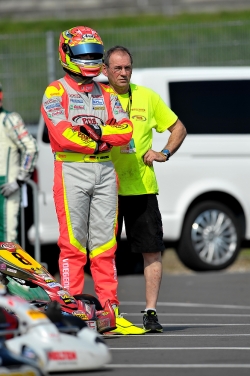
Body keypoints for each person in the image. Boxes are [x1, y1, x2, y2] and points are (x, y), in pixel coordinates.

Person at [41, 26, 145, 335]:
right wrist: (101, 138)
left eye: (96, 55)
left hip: (104, 173)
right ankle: (70, 309)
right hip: (71, 171)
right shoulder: (55, 91)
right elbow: (61, 136)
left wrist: (94, 135)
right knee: (73, 246)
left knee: (105, 246)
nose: (91, 60)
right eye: (85, 54)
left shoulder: (107, 92)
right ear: (68, 55)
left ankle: (109, 311)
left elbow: (125, 130)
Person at [102, 45, 187, 333]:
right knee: (103, 253)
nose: (124, 73)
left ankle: (150, 312)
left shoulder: (147, 97)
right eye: (118, 68)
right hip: (106, 188)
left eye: (128, 67)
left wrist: (164, 152)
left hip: (142, 188)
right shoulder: (97, 98)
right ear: (105, 71)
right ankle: (107, 311)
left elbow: (179, 128)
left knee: (151, 251)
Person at [0, 82, 38, 243]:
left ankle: (7, 269)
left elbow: (31, 148)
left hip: (5, 187)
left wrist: (20, 179)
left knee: (8, 237)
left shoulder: (9, 119)